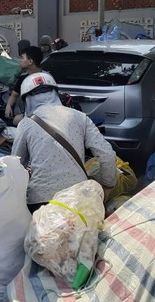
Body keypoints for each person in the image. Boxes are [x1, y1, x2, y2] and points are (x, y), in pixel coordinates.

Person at [11, 73, 117, 212]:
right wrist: (108, 185)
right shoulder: (80, 117)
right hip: (78, 198)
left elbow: (16, 164)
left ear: (27, 100)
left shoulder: (26, 124)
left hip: (40, 202)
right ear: (55, 93)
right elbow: (107, 154)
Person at [5, 45, 43, 126]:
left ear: (30, 62)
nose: (20, 61)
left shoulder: (45, 78)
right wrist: (8, 106)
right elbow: (14, 95)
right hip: (26, 114)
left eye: (22, 58)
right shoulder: (22, 78)